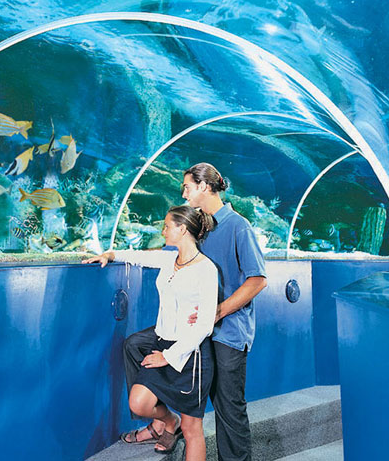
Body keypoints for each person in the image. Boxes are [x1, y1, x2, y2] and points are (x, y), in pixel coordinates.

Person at [83, 205, 219, 459]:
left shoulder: (206, 269)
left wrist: (167, 356)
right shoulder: (170, 258)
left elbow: (204, 325)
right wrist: (110, 255)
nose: (163, 230)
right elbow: (139, 256)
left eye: (168, 226)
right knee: (139, 402)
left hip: (191, 356)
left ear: (182, 229)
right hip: (163, 342)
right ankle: (168, 421)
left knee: (192, 429)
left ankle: (177, 425)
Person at [182, 163, 267, 461]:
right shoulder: (201, 227)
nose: (183, 193)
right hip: (203, 331)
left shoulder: (238, 225)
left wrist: (218, 312)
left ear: (205, 187)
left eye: (188, 187)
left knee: (230, 409)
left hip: (230, 333)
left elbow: (257, 280)